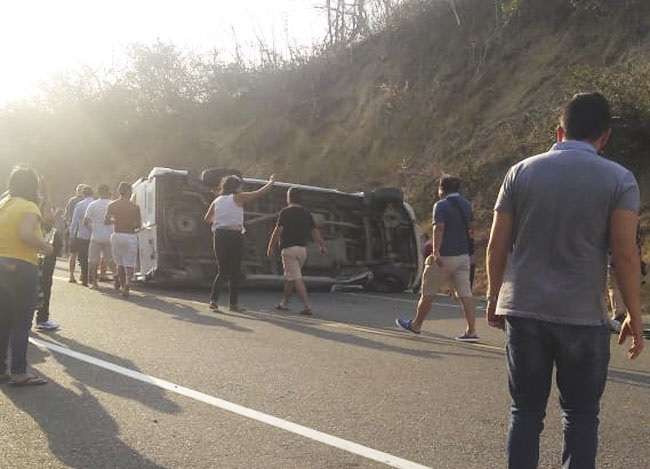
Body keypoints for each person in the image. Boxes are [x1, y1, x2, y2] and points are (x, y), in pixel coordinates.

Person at [485, 92, 645, 469]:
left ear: (559, 131)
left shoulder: (520, 172)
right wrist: (633, 315)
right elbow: (625, 255)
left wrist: (494, 297)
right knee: (581, 417)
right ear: (605, 136)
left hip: (524, 311)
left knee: (525, 413)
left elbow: (496, 245)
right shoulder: (619, 179)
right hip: (583, 317)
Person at [395, 175, 478, 342]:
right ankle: (471, 330)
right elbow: (471, 230)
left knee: (428, 292)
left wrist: (436, 252)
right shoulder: (467, 205)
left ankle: (416, 325)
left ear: (442, 189)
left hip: (445, 256)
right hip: (463, 257)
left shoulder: (441, 205)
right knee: (465, 293)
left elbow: (439, 228)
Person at [0, 167, 53, 386]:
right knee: (21, 322)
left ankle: (1, 369)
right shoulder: (29, 206)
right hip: (22, 266)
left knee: (2, 320)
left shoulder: (3, 204)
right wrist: (46, 247)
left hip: (1, 264)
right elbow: (25, 234)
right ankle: (19, 372)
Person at [204, 174, 276, 312]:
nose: (241, 187)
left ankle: (213, 300)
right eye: (240, 185)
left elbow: (207, 219)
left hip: (219, 235)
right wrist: (271, 182)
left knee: (222, 270)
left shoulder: (217, 200)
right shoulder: (238, 197)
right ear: (236, 186)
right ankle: (233, 305)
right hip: (234, 235)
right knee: (235, 271)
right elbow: (258, 193)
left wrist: (221, 220)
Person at [266, 187, 327, 315]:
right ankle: (284, 303)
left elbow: (277, 231)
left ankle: (307, 306)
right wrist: (321, 245)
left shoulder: (285, 212)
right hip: (302, 251)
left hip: (289, 250)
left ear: (289, 197)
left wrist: (270, 246)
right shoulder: (306, 213)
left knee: (296, 278)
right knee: (291, 278)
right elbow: (315, 231)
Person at [105, 182, 141, 298]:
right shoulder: (135, 207)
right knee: (129, 263)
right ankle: (127, 283)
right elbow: (138, 225)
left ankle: (121, 284)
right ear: (129, 192)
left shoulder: (112, 205)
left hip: (117, 235)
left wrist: (116, 221)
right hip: (130, 235)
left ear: (119, 191)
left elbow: (106, 221)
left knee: (119, 263)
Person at [35, 196, 63, 332]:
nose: (52, 212)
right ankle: (42, 319)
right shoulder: (40, 226)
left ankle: (41, 318)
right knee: (42, 289)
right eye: (49, 210)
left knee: (44, 288)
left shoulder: (49, 226)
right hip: (41, 262)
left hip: (46, 262)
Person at [84, 184, 114, 289]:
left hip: (96, 236)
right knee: (111, 260)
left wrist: (93, 228)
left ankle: (94, 283)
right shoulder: (112, 204)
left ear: (99, 192)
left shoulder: (93, 204)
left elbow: (86, 221)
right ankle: (118, 279)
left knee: (93, 261)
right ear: (108, 191)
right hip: (109, 236)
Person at [69, 185, 95, 286]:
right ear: (92, 193)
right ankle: (91, 277)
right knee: (92, 257)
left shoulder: (79, 204)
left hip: (82, 235)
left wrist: (72, 234)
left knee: (83, 257)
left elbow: (75, 221)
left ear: (83, 194)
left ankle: (84, 278)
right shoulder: (95, 203)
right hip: (94, 234)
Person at [64, 184, 86, 282]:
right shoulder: (86, 202)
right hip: (84, 231)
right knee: (83, 254)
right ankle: (82, 274)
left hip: (73, 230)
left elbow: (66, 216)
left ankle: (71, 275)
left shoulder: (72, 201)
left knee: (73, 254)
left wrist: (69, 227)